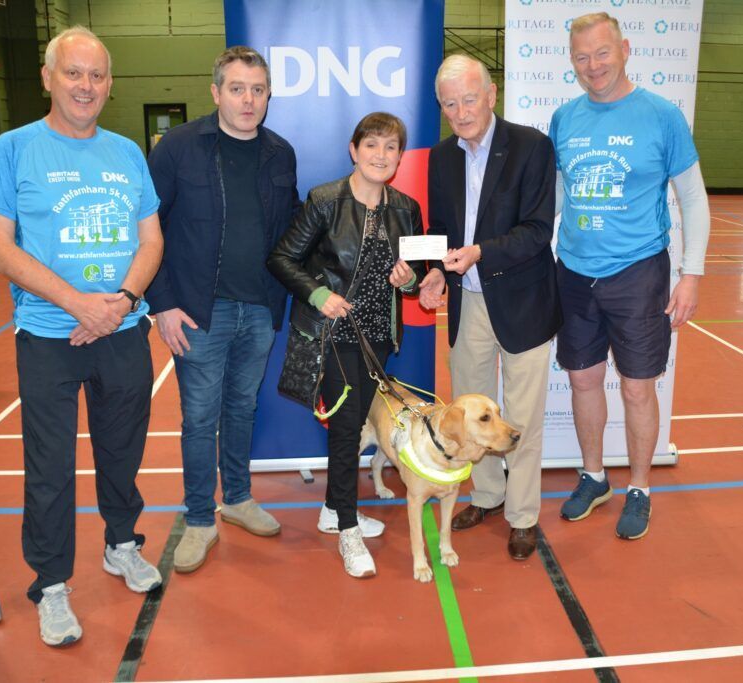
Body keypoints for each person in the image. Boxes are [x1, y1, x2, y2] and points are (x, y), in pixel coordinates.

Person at [0, 26, 164, 647]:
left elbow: (151, 240)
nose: (86, 86)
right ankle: (52, 583)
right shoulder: (13, 148)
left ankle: (121, 544)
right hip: (49, 335)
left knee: (122, 451)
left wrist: (122, 302)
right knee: (49, 467)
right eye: (74, 73)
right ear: (49, 77)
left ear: (110, 84)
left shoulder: (127, 153)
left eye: (97, 75)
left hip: (122, 329)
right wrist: (77, 304)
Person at [550, 12, 710, 539]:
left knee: (639, 390)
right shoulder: (564, 118)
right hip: (573, 271)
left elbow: (692, 198)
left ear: (624, 48)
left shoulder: (662, 116)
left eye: (601, 53)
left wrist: (691, 274)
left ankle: (639, 486)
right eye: (581, 57)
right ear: (571, 60)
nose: (592, 66)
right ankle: (594, 476)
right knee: (582, 379)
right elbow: (555, 197)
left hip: (638, 272)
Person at [145, 47, 301, 574]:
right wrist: (161, 304)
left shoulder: (280, 153)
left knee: (242, 409)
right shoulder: (178, 148)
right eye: (237, 88)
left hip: (259, 308)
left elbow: (294, 229)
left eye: (258, 90)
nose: (248, 100)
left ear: (268, 96)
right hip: (197, 312)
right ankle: (197, 519)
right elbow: (149, 232)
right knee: (199, 418)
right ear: (216, 92)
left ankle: (236, 498)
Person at [268, 112, 426, 578]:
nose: (381, 155)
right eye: (371, 145)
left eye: (391, 147)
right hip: (333, 334)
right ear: (354, 150)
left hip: (378, 336)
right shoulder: (324, 201)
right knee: (345, 430)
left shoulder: (405, 208)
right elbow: (280, 258)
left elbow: (414, 279)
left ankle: (332, 510)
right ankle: (348, 530)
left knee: (355, 425)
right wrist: (319, 295)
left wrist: (410, 279)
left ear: (399, 156)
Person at [417, 55, 560, 561]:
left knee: (520, 419)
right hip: (467, 303)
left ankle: (522, 517)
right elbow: (441, 234)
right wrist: (436, 270)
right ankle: (487, 495)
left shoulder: (532, 146)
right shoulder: (441, 158)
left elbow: (538, 231)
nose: (461, 111)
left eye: (469, 98)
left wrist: (479, 252)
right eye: (450, 103)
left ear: (492, 94)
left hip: (523, 301)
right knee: (470, 416)